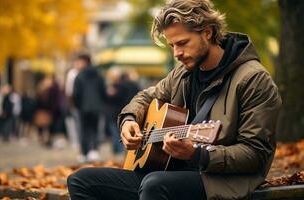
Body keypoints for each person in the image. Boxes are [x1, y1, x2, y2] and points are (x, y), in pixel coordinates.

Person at [67, 0, 282, 199]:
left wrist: (198, 155)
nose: (177, 53)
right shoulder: (183, 73)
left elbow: (255, 154)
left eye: (182, 43)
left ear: (207, 32)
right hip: (166, 172)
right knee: (80, 180)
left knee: (154, 185)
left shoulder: (253, 79)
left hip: (220, 181)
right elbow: (146, 96)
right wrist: (129, 119)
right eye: (172, 46)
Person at [72, 53, 106, 163]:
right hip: (97, 107)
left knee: (83, 130)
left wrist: (77, 106)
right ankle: (94, 151)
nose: (76, 64)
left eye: (78, 62)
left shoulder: (79, 75)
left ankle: (84, 153)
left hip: (83, 107)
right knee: (95, 129)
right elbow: (103, 91)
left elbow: (76, 93)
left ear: (84, 62)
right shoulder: (99, 74)